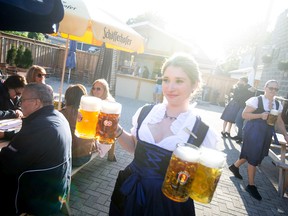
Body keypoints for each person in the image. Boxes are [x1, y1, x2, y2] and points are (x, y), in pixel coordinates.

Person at [109, 53, 220, 215]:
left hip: (168, 204)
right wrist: (117, 131)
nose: (170, 87)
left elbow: (201, 182)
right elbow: (134, 147)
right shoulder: (145, 113)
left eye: (179, 81)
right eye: (166, 79)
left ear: (195, 85)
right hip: (130, 189)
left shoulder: (202, 131)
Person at [0, 83, 72, 215]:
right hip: (54, 190)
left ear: (36, 103)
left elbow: (5, 164)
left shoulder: (39, 128)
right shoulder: (58, 117)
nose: (20, 104)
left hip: (35, 200)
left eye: (23, 100)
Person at [229, 80, 288, 201]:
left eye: (276, 89)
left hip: (266, 133)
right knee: (254, 157)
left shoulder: (278, 104)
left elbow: (279, 121)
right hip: (253, 131)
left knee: (255, 154)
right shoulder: (256, 100)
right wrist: (260, 115)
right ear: (265, 87)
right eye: (271, 88)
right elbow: (244, 115)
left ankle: (234, 167)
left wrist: (285, 134)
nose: (273, 91)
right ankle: (251, 185)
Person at [61, 84, 96, 167]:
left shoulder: (61, 114)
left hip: (69, 158)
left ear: (67, 97)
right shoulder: (89, 115)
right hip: (86, 155)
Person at [90, 79, 117, 161]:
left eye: (98, 89)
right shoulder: (91, 100)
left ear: (105, 90)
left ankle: (111, 155)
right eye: (94, 88)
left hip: (103, 134)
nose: (95, 91)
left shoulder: (109, 103)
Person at [230, 77, 255, 143]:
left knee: (238, 121)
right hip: (242, 106)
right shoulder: (243, 87)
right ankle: (239, 136)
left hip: (246, 107)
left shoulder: (249, 87)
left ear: (243, 81)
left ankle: (242, 137)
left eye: (240, 81)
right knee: (239, 122)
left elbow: (253, 91)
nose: (238, 82)